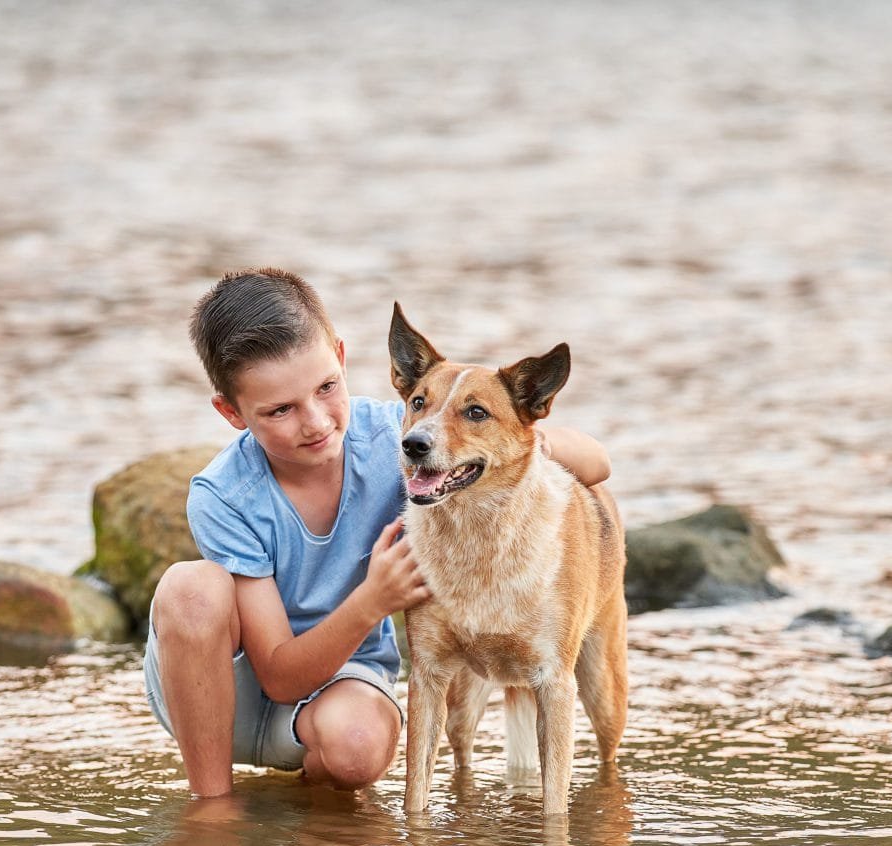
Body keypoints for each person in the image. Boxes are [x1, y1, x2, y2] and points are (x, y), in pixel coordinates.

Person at [146, 268, 611, 797]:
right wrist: (375, 599)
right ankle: (211, 803)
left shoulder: (402, 436)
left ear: (342, 360)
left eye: (326, 388)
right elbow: (278, 676)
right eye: (281, 409)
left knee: (361, 744)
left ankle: (309, 797)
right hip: (222, 705)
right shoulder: (225, 494)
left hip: (336, 693)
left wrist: (517, 445)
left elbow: (597, 462)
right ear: (231, 412)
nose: (316, 421)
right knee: (190, 589)